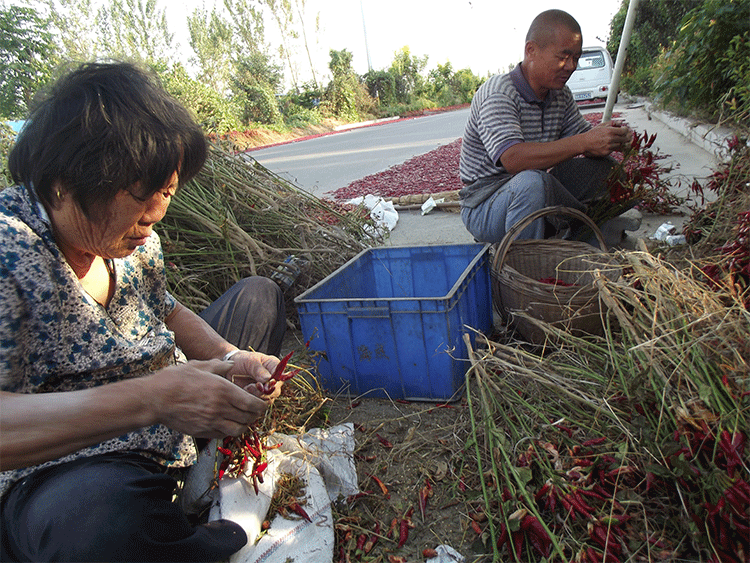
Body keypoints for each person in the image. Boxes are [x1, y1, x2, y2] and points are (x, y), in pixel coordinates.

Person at [0, 62, 288, 562]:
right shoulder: (10, 254)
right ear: (62, 184)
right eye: (141, 194)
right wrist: (151, 400)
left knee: (259, 296)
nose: (156, 216)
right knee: (95, 527)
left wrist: (231, 358)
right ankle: (211, 523)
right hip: (75, 462)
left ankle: (191, 474)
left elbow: (169, 313)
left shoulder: (137, 241)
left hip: (171, 402)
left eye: (168, 192)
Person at [459, 9, 633, 242]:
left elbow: (585, 141)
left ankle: (578, 240)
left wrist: (610, 137)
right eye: (563, 56)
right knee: (532, 183)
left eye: (576, 58)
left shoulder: (559, 95)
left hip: (534, 190)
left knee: (608, 172)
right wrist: (584, 142)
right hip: (485, 207)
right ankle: (525, 266)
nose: (571, 66)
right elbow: (514, 159)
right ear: (531, 50)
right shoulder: (499, 93)